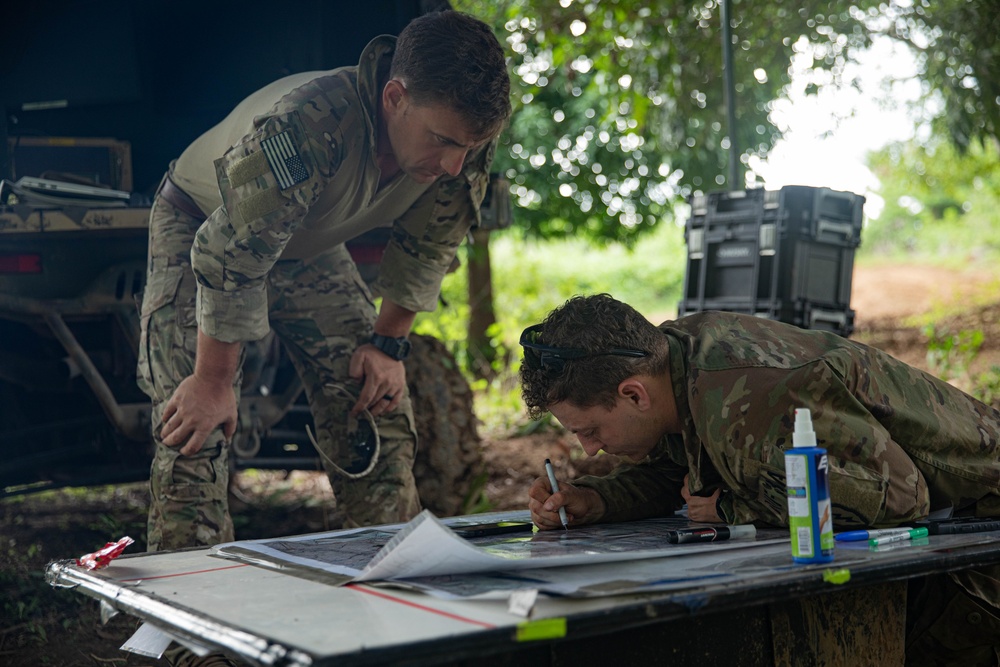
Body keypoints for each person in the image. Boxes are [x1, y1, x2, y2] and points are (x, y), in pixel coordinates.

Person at [137, 9, 511, 553]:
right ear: (395, 97)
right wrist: (215, 383)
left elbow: (430, 245)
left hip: (303, 245)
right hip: (203, 226)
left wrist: (386, 346)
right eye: (441, 142)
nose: (454, 164)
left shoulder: (463, 134)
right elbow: (228, 254)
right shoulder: (307, 124)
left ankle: (394, 581)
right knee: (194, 430)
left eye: (467, 149)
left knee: (376, 402)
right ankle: (185, 627)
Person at [520, 293, 1000, 666]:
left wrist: (731, 510)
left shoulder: (750, 398)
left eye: (590, 430)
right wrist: (594, 500)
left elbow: (897, 499)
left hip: (980, 534)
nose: (590, 448)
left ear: (633, 394)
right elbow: (677, 467)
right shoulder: (673, 360)